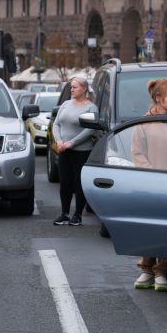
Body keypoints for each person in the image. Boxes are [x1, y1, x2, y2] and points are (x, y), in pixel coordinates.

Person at [131, 78, 167, 292]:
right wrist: (150, 175)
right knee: (149, 226)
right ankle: (146, 268)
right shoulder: (143, 123)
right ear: (158, 98)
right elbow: (137, 153)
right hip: (148, 182)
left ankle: (162, 271)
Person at [52, 76, 99, 226]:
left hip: (81, 151)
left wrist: (72, 142)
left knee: (79, 183)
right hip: (64, 150)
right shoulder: (65, 104)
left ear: (84, 89)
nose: (71, 89)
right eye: (71, 87)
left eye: (75, 87)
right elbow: (56, 124)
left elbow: (90, 129)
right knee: (65, 182)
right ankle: (64, 213)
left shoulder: (91, 107)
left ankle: (77, 215)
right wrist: (59, 141)